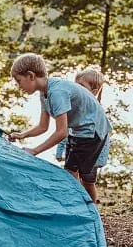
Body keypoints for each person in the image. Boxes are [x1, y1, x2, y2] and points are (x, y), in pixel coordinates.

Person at [9, 54, 111, 203]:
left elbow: (61, 132)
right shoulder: (45, 93)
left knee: (77, 174)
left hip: (92, 131)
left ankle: (89, 209)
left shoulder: (57, 92)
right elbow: (43, 127)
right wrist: (23, 135)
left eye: (19, 81)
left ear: (31, 75)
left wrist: (34, 151)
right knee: (72, 172)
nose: (19, 87)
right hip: (79, 130)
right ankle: (79, 205)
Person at [55, 67, 111, 202]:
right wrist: (60, 150)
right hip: (77, 146)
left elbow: (104, 138)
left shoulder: (96, 113)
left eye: (81, 86)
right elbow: (66, 129)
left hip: (93, 157)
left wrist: (99, 160)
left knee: (88, 182)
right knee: (72, 173)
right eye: (76, 84)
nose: (76, 88)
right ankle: (76, 202)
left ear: (94, 92)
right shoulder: (75, 106)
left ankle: (92, 206)